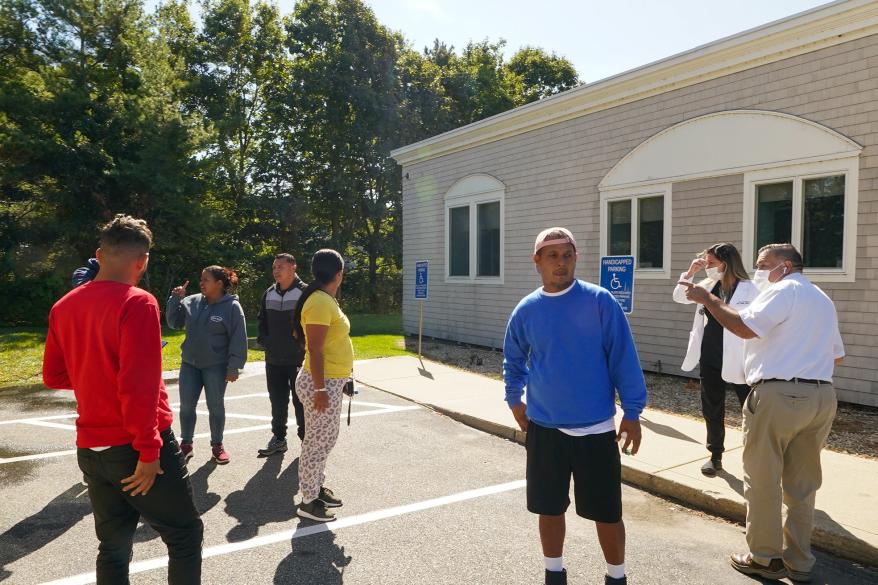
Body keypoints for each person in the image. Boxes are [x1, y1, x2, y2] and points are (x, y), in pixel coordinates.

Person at [42, 214, 203, 584]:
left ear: (100, 254)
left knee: (113, 548)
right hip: (135, 446)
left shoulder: (64, 306)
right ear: (142, 261)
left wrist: (94, 378)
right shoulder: (138, 302)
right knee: (184, 535)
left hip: (92, 449)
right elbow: (138, 385)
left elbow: (54, 375)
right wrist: (149, 451)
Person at [681, 243, 844, 582]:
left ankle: (765, 558)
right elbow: (837, 356)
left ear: (785, 266)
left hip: (777, 395)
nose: (758, 270)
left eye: (763, 264)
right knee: (802, 484)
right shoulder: (821, 298)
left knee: (763, 479)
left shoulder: (782, 290)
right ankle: (800, 561)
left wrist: (709, 300)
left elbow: (743, 327)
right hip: (821, 396)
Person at [504, 227, 648, 585]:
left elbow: (623, 358)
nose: (561, 263)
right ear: (537, 260)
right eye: (552, 255)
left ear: (575, 259)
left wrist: (632, 412)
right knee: (548, 508)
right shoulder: (527, 310)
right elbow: (513, 358)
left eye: (567, 255)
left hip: (596, 430)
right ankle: (554, 573)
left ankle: (617, 577)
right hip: (545, 428)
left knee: (607, 512)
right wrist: (514, 399)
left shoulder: (600, 302)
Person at [672, 243, 759, 476]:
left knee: (751, 410)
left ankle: (758, 458)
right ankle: (715, 455)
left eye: (711, 263)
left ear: (726, 263)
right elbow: (680, 296)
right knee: (712, 407)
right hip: (710, 355)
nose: (707, 267)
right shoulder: (708, 285)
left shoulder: (751, 289)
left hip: (740, 358)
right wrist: (690, 273)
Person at [292, 249, 352, 522]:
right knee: (316, 444)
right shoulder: (319, 302)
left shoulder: (324, 299)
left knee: (323, 441)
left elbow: (328, 345)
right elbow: (314, 350)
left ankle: (316, 488)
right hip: (321, 383)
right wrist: (320, 389)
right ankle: (308, 502)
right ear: (339, 274)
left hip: (329, 381)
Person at [166, 266, 247, 465]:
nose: (201, 283)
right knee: (186, 406)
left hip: (216, 367)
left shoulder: (232, 307)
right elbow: (174, 323)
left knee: (215, 406)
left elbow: (238, 338)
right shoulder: (191, 301)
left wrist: (234, 366)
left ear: (219, 284)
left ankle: (217, 446)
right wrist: (175, 300)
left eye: (206, 280)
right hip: (190, 365)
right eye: (201, 279)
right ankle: (186, 444)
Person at [257, 253, 308, 456]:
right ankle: (279, 439)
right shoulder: (268, 293)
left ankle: (307, 442)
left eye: (280, 267)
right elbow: (262, 322)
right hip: (274, 360)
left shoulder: (306, 293)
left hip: (299, 359)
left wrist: (302, 344)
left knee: (301, 402)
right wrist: (266, 341)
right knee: (277, 402)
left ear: (293, 267)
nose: (276, 270)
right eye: (274, 267)